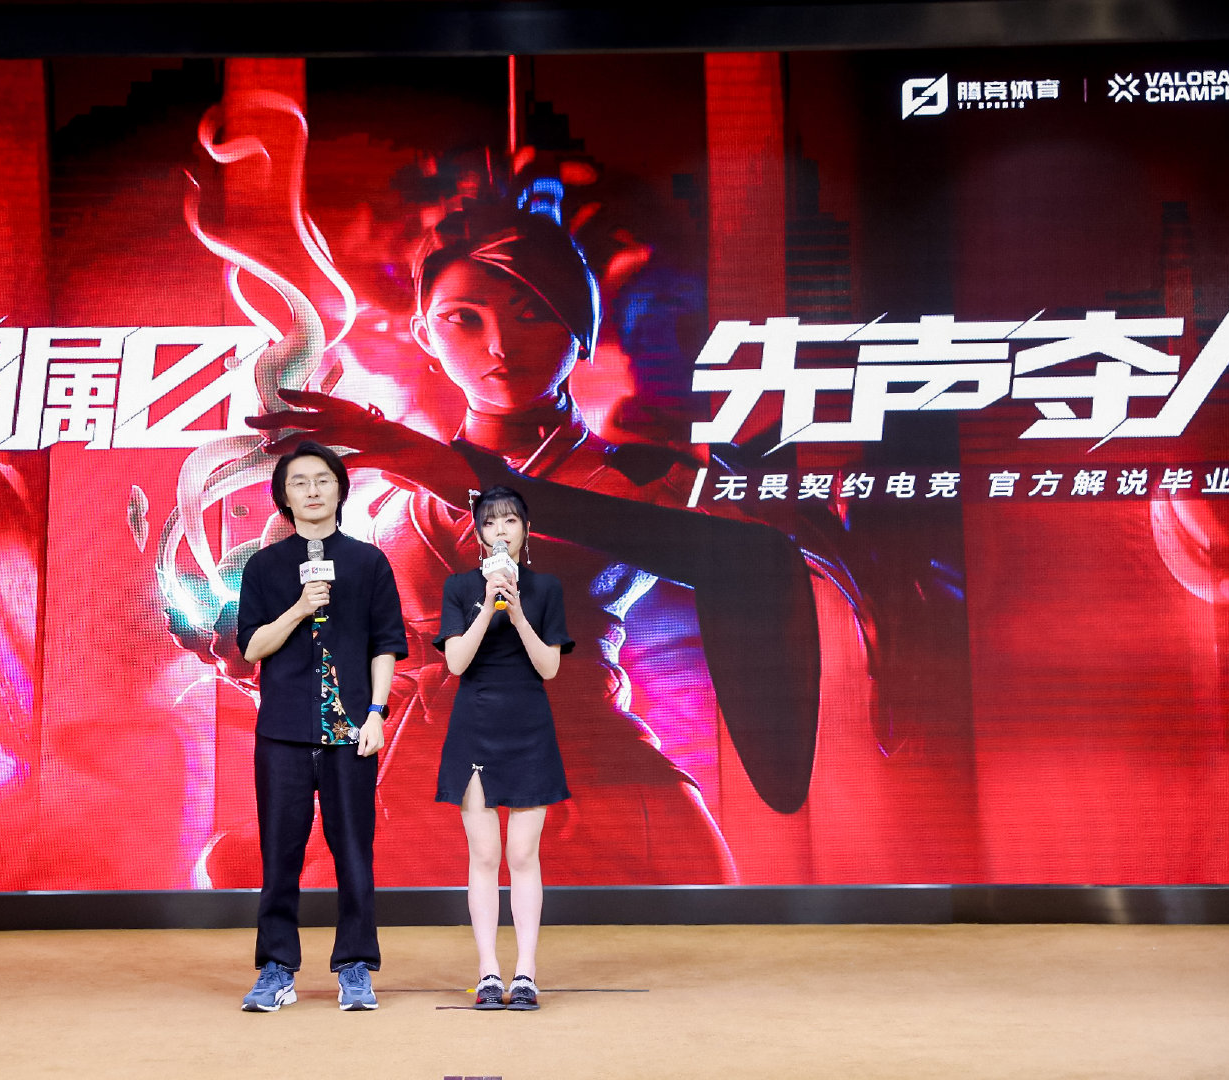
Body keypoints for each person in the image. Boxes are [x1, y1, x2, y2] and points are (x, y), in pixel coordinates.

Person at [248, 194, 820, 887]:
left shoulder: (643, 476)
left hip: (595, 776)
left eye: (533, 313)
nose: (499, 346)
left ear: (582, 327)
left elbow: (758, 562)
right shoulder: (382, 497)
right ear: (424, 333)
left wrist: (445, 472)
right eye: (464, 318)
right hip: (418, 780)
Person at [234, 440, 407, 1012]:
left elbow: (386, 645)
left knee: (354, 851)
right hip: (283, 732)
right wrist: (300, 607)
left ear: (339, 489)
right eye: (299, 482)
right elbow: (252, 647)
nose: (312, 490)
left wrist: (377, 713)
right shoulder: (263, 566)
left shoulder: (368, 562)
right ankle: (276, 967)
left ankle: (355, 965)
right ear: (283, 497)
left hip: (350, 733)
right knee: (280, 853)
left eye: (323, 480)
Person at [435, 485, 572, 1011]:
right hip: (475, 726)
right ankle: (489, 970)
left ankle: (526, 972)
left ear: (526, 531)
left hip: (529, 728)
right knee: (485, 854)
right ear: (478, 534)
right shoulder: (458, 587)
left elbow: (550, 667)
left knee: (522, 854)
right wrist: (487, 607)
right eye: (490, 522)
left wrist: (516, 613)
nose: (501, 530)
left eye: (510, 521)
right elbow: (456, 663)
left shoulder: (545, 588)